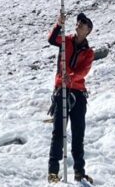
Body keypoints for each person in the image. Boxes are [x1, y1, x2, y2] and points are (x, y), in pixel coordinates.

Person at [47, 11, 94, 183]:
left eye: (83, 22)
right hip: (62, 91)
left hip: (78, 94)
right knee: (58, 131)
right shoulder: (65, 41)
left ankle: (79, 172)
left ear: (88, 30)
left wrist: (71, 77)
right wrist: (58, 24)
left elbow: (84, 71)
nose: (79, 23)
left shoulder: (89, 53)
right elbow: (52, 39)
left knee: (78, 132)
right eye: (78, 21)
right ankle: (53, 172)